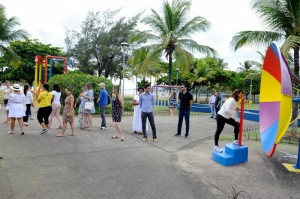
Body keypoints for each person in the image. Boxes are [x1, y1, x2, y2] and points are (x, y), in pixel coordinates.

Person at [213, 89, 244, 153]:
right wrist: (235, 111)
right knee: (219, 131)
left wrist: (236, 120)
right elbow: (227, 110)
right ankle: (216, 146)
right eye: (241, 93)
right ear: (237, 94)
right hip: (221, 116)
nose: (242, 94)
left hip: (226, 117)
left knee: (237, 125)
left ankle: (235, 140)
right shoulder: (231, 100)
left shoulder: (235, 101)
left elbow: (234, 113)